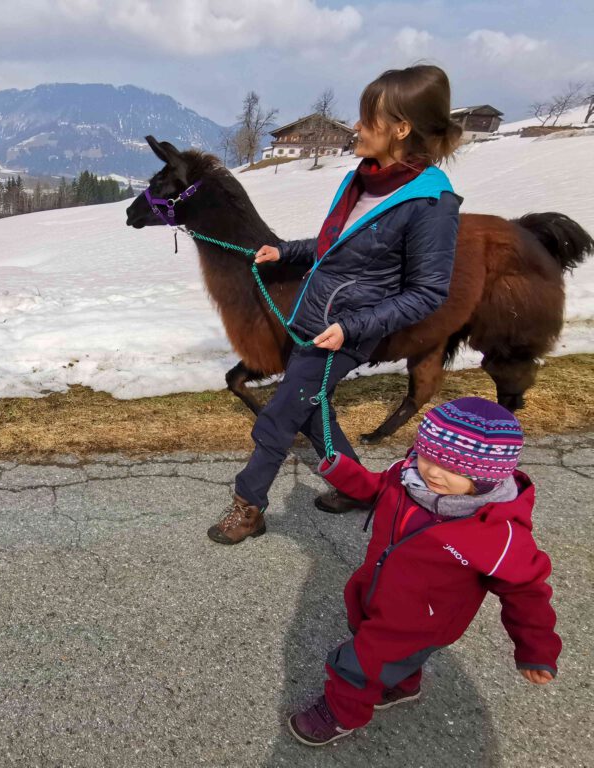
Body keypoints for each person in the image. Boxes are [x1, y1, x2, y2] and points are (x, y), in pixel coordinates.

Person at [208, 64, 463, 545]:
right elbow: (337, 244)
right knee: (309, 406)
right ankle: (360, 489)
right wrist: (287, 252)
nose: (356, 127)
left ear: (401, 129)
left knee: (280, 415)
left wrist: (353, 328)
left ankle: (249, 506)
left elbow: (429, 293)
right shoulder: (364, 179)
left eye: (368, 119)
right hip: (312, 316)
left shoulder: (432, 204)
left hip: (344, 332)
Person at [288, 397, 561, 746]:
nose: (433, 472)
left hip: (422, 620)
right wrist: (343, 471)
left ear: (488, 478)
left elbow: (527, 592)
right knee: (375, 641)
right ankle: (403, 685)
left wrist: (536, 649)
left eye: (455, 470)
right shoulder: (407, 477)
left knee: (359, 663)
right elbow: (376, 488)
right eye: (427, 456)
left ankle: (340, 714)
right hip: (376, 589)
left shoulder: (497, 533)